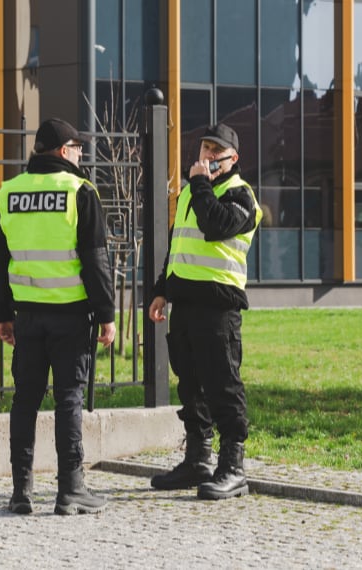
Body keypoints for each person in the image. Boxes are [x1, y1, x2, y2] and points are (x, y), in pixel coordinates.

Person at [0, 117, 116, 515]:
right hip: (70, 316)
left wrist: (2, 315)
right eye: (79, 149)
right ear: (64, 151)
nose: (81, 156)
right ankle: (70, 490)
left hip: (27, 317)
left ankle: (20, 491)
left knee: (24, 399)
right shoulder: (80, 191)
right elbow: (96, 262)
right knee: (68, 398)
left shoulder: (8, 193)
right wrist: (107, 314)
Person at [147, 123, 261, 500]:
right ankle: (197, 459)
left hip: (218, 308)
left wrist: (199, 185)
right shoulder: (189, 196)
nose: (208, 156)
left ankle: (233, 467)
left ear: (233, 158)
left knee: (223, 386)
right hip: (185, 305)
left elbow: (214, 226)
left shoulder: (242, 196)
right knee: (191, 386)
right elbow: (178, 246)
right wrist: (162, 289)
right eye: (205, 148)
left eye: (217, 151)